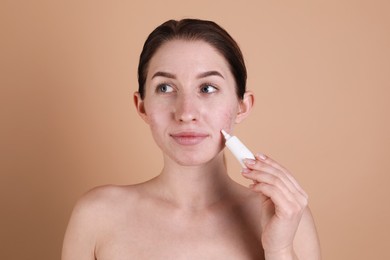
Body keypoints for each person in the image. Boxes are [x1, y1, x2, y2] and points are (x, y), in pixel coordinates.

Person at [62, 18, 321, 260]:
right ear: (142, 107)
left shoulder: (287, 218)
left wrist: (279, 248)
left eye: (207, 88)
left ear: (242, 106)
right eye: (165, 88)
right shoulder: (97, 216)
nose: (186, 113)